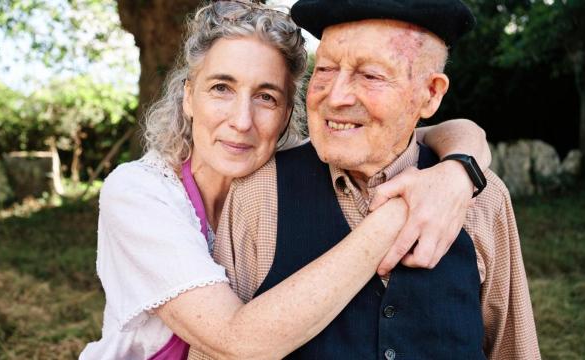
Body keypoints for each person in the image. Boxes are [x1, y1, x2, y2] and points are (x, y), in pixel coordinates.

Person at [80, 1, 493, 359]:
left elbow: (397, 132)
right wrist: (403, 208)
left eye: (266, 97)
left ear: (287, 113)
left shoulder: (281, 172)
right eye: (221, 87)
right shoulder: (138, 193)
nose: (241, 122)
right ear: (189, 96)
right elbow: (236, 343)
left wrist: (460, 168)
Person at [202, 0, 541, 359]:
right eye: (327, 69)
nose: (335, 97)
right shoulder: (259, 192)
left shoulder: (482, 198)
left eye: (370, 76)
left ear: (431, 94)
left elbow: (513, 349)